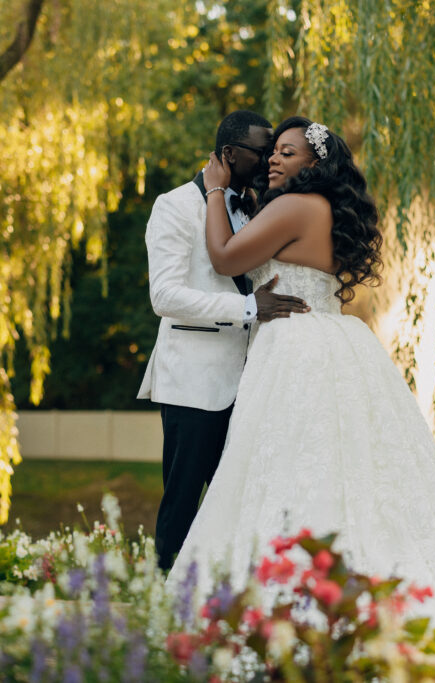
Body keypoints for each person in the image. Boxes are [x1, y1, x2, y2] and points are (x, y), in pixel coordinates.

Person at [166, 116, 435, 650]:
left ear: (315, 165)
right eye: (273, 151)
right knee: (343, 471)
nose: (275, 158)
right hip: (335, 341)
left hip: (293, 344)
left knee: (283, 466)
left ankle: (290, 602)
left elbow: (225, 256)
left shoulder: (294, 207)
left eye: (289, 153)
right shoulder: (326, 211)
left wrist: (213, 191)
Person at [138, 110, 310, 571]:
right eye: (263, 151)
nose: (270, 159)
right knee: (184, 503)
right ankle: (167, 606)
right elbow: (165, 295)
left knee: (240, 504)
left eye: (278, 150)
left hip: (254, 381)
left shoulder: (258, 205)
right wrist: (249, 308)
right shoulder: (173, 205)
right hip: (195, 381)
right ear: (230, 154)